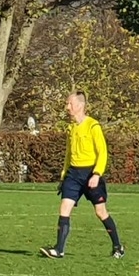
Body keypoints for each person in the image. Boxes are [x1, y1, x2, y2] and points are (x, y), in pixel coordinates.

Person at [40, 92, 125, 259]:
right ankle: (59, 249)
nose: (67, 107)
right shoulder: (71, 128)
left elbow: (103, 152)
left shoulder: (93, 126)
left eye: (69, 104)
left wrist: (96, 174)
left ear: (80, 105)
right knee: (64, 208)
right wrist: (64, 175)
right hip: (73, 174)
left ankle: (117, 246)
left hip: (91, 173)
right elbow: (68, 154)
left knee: (100, 212)